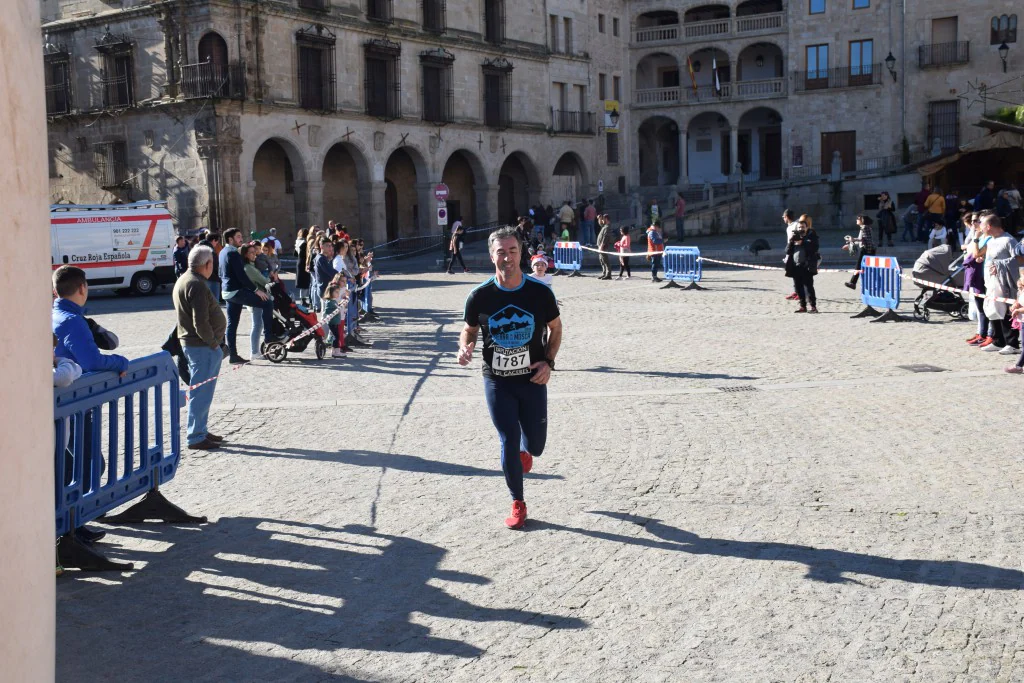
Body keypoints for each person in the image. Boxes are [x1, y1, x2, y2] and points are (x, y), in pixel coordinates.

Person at [457, 227, 562, 530]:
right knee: (508, 439)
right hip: (497, 381)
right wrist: (464, 347)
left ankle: (526, 454)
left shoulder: (539, 292)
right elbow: (469, 329)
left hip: (532, 381)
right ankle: (518, 501)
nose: (507, 257)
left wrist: (549, 363)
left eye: (512, 250)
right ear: (492, 256)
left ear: (522, 253)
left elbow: (556, 329)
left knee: (536, 446)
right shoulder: (480, 296)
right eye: (501, 252)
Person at [171, 245, 227, 451]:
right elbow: (200, 322)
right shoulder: (196, 284)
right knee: (201, 392)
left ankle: (200, 429)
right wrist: (214, 344)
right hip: (201, 346)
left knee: (202, 391)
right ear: (207, 264)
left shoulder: (185, 279)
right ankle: (195, 435)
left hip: (196, 344)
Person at [219, 228, 277, 365]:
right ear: (230, 239)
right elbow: (242, 276)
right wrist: (257, 290)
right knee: (267, 302)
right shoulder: (233, 252)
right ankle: (269, 336)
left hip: (227, 292)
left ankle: (233, 355)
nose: (241, 238)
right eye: (238, 237)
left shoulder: (222, 251)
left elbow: (221, 273)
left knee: (232, 324)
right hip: (236, 291)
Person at [981, 214, 1021, 354]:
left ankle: (1012, 343)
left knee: (1007, 311)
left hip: (1008, 283)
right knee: (993, 308)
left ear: (989, 226)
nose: (980, 228)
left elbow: (1019, 260)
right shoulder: (990, 241)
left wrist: (998, 266)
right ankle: (998, 340)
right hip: (992, 282)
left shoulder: (1008, 240)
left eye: (982, 225)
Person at [242, 243, 272, 361]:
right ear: (245, 254)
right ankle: (254, 352)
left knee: (258, 325)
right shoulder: (249, 268)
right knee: (257, 325)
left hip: (258, 298)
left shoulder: (251, 265)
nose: (254, 254)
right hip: (257, 299)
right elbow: (263, 280)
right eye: (251, 252)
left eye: (255, 252)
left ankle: (255, 351)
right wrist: (269, 279)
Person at [786, 215, 819, 313]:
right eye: (799, 227)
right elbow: (787, 251)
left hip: (807, 266)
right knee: (798, 287)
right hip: (796, 266)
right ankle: (803, 306)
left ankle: (813, 307)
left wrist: (803, 242)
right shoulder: (795, 237)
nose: (801, 229)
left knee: (809, 287)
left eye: (803, 227)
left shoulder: (811, 236)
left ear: (807, 228)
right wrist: (791, 242)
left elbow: (815, 248)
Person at [844, 214, 875, 289]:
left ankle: (853, 283)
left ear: (862, 220)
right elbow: (861, 239)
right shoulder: (864, 228)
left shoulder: (865, 227)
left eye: (858, 218)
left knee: (859, 266)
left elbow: (866, 240)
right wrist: (849, 244)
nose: (856, 220)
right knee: (863, 267)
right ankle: (853, 283)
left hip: (866, 250)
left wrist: (853, 239)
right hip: (867, 249)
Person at [321, 282, 349, 358]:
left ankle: (334, 350)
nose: (338, 293)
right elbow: (327, 311)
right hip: (332, 322)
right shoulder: (330, 302)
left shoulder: (334, 301)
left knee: (337, 336)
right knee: (337, 337)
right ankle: (336, 352)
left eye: (338, 292)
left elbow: (337, 307)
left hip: (336, 322)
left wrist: (340, 304)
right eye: (336, 292)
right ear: (331, 293)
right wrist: (336, 310)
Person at [1005, 277, 1024, 374]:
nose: (1019, 290)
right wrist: (1015, 305)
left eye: (1021, 287)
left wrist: (1018, 310)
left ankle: (1018, 366)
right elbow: (1019, 301)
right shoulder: (1021, 293)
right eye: (1019, 288)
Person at [782, 209, 802, 300]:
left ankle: (801, 292)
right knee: (793, 273)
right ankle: (796, 291)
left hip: (797, 251)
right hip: (791, 251)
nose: (783, 219)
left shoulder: (796, 225)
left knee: (799, 273)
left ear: (787, 217)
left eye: (784, 217)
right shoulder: (789, 227)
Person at [198, 232, 223, 302]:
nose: (216, 244)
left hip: (200, 278)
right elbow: (215, 267)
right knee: (214, 303)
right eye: (217, 242)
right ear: (213, 240)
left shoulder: (198, 248)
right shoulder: (211, 251)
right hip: (212, 278)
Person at [596, 214, 615, 280]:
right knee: (601, 260)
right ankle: (604, 273)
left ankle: (608, 274)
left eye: (603, 219)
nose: (602, 221)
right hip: (600, 246)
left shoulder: (607, 227)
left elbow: (605, 237)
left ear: (606, 219)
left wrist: (602, 245)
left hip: (603, 246)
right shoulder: (605, 226)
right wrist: (599, 219)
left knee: (605, 260)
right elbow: (600, 224)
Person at [295, 228, 311, 305]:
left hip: (299, 261)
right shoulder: (304, 243)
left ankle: (303, 299)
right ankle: (303, 300)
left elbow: (295, 254)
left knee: (302, 282)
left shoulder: (298, 242)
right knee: (305, 282)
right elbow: (305, 254)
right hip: (304, 262)